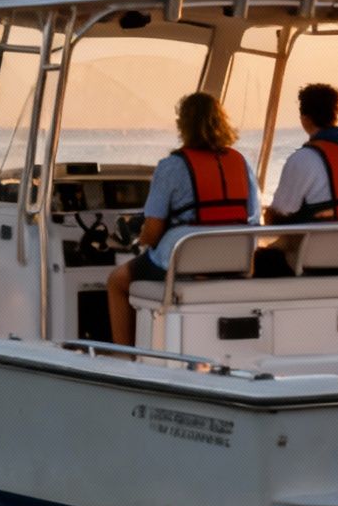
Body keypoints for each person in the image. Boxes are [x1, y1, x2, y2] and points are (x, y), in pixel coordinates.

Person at [106, 92, 261, 347]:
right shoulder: (240, 163)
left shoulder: (171, 167)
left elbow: (153, 231)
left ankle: (124, 355)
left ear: (183, 125)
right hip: (234, 262)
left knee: (118, 280)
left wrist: (137, 237)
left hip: (183, 261)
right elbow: (254, 218)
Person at [265, 83, 338, 225]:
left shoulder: (303, 159)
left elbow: (280, 211)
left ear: (304, 118)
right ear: (336, 114)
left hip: (313, 245)